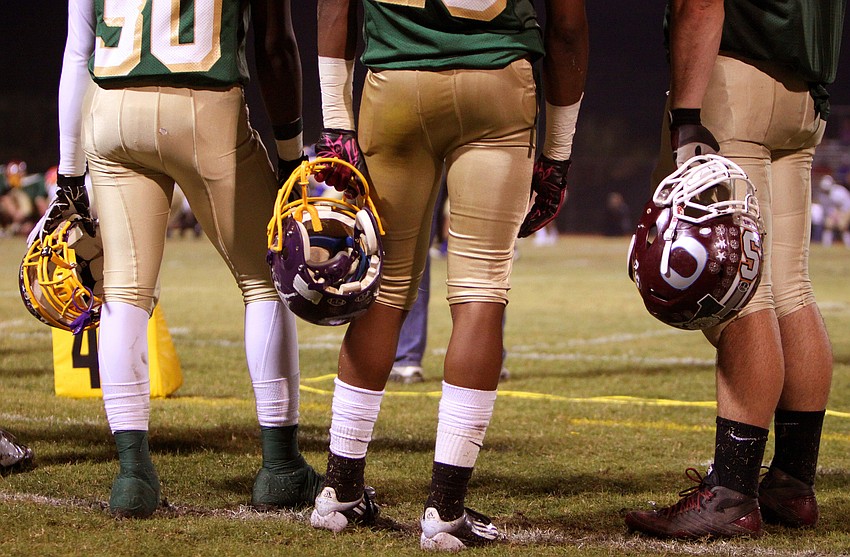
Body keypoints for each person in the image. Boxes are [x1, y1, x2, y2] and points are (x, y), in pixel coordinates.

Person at [309, 0, 588, 550]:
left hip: (396, 81)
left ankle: (339, 492)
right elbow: (569, 27)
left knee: (383, 292)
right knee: (482, 289)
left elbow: (333, 6)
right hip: (497, 84)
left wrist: (336, 123)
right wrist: (557, 153)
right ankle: (446, 508)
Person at [54, 0, 320, 518]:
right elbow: (275, 45)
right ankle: (281, 465)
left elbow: (77, 49)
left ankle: (132, 475)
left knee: (125, 290)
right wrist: (290, 155)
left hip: (113, 112)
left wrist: (67, 171)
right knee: (266, 281)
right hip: (204, 105)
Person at [625, 0, 844, 539]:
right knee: (791, 285)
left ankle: (731, 492)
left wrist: (685, 115)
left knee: (743, 297)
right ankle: (792, 485)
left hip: (736, 83)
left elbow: (699, 3)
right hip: (803, 93)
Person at [818, 175, 850, 248]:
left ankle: (848, 245)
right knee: (828, 224)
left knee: (842, 225)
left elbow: (844, 206)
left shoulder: (839, 192)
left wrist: (840, 215)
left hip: (846, 210)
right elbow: (827, 208)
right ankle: (826, 245)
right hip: (833, 212)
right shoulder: (822, 195)